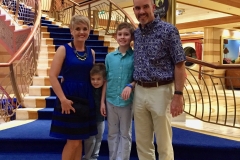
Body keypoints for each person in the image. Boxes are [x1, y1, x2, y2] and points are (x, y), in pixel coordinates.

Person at [132, 0, 186, 160]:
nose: (141, 11)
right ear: (134, 10)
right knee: (142, 143)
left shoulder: (168, 30)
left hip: (161, 91)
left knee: (164, 143)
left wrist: (178, 95)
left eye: (145, 7)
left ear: (153, 8)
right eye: (137, 8)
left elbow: (180, 64)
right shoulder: (136, 33)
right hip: (140, 91)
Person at [49, 15, 97, 160]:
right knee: (73, 141)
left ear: (89, 31)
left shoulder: (92, 53)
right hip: (68, 98)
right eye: (77, 29)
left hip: (85, 98)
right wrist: (63, 99)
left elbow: (91, 77)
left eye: (85, 29)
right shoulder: (63, 49)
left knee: (80, 139)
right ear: (71, 30)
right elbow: (53, 76)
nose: (81, 32)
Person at [100, 22, 135, 160]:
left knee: (125, 133)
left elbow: (138, 78)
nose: (122, 37)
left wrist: (131, 85)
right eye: (120, 34)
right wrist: (102, 101)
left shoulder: (135, 56)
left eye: (126, 34)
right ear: (115, 37)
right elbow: (106, 80)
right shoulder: (109, 57)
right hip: (110, 100)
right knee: (112, 133)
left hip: (127, 102)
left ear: (131, 37)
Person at [83, 63, 106, 160]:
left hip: (100, 117)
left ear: (103, 80)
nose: (95, 82)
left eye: (98, 79)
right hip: (90, 116)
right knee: (90, 138)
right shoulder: (89, 88)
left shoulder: (104, 88)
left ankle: (94, 156)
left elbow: (107, 82)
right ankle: (87, 157)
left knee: (99, 137)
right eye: (93, 79)